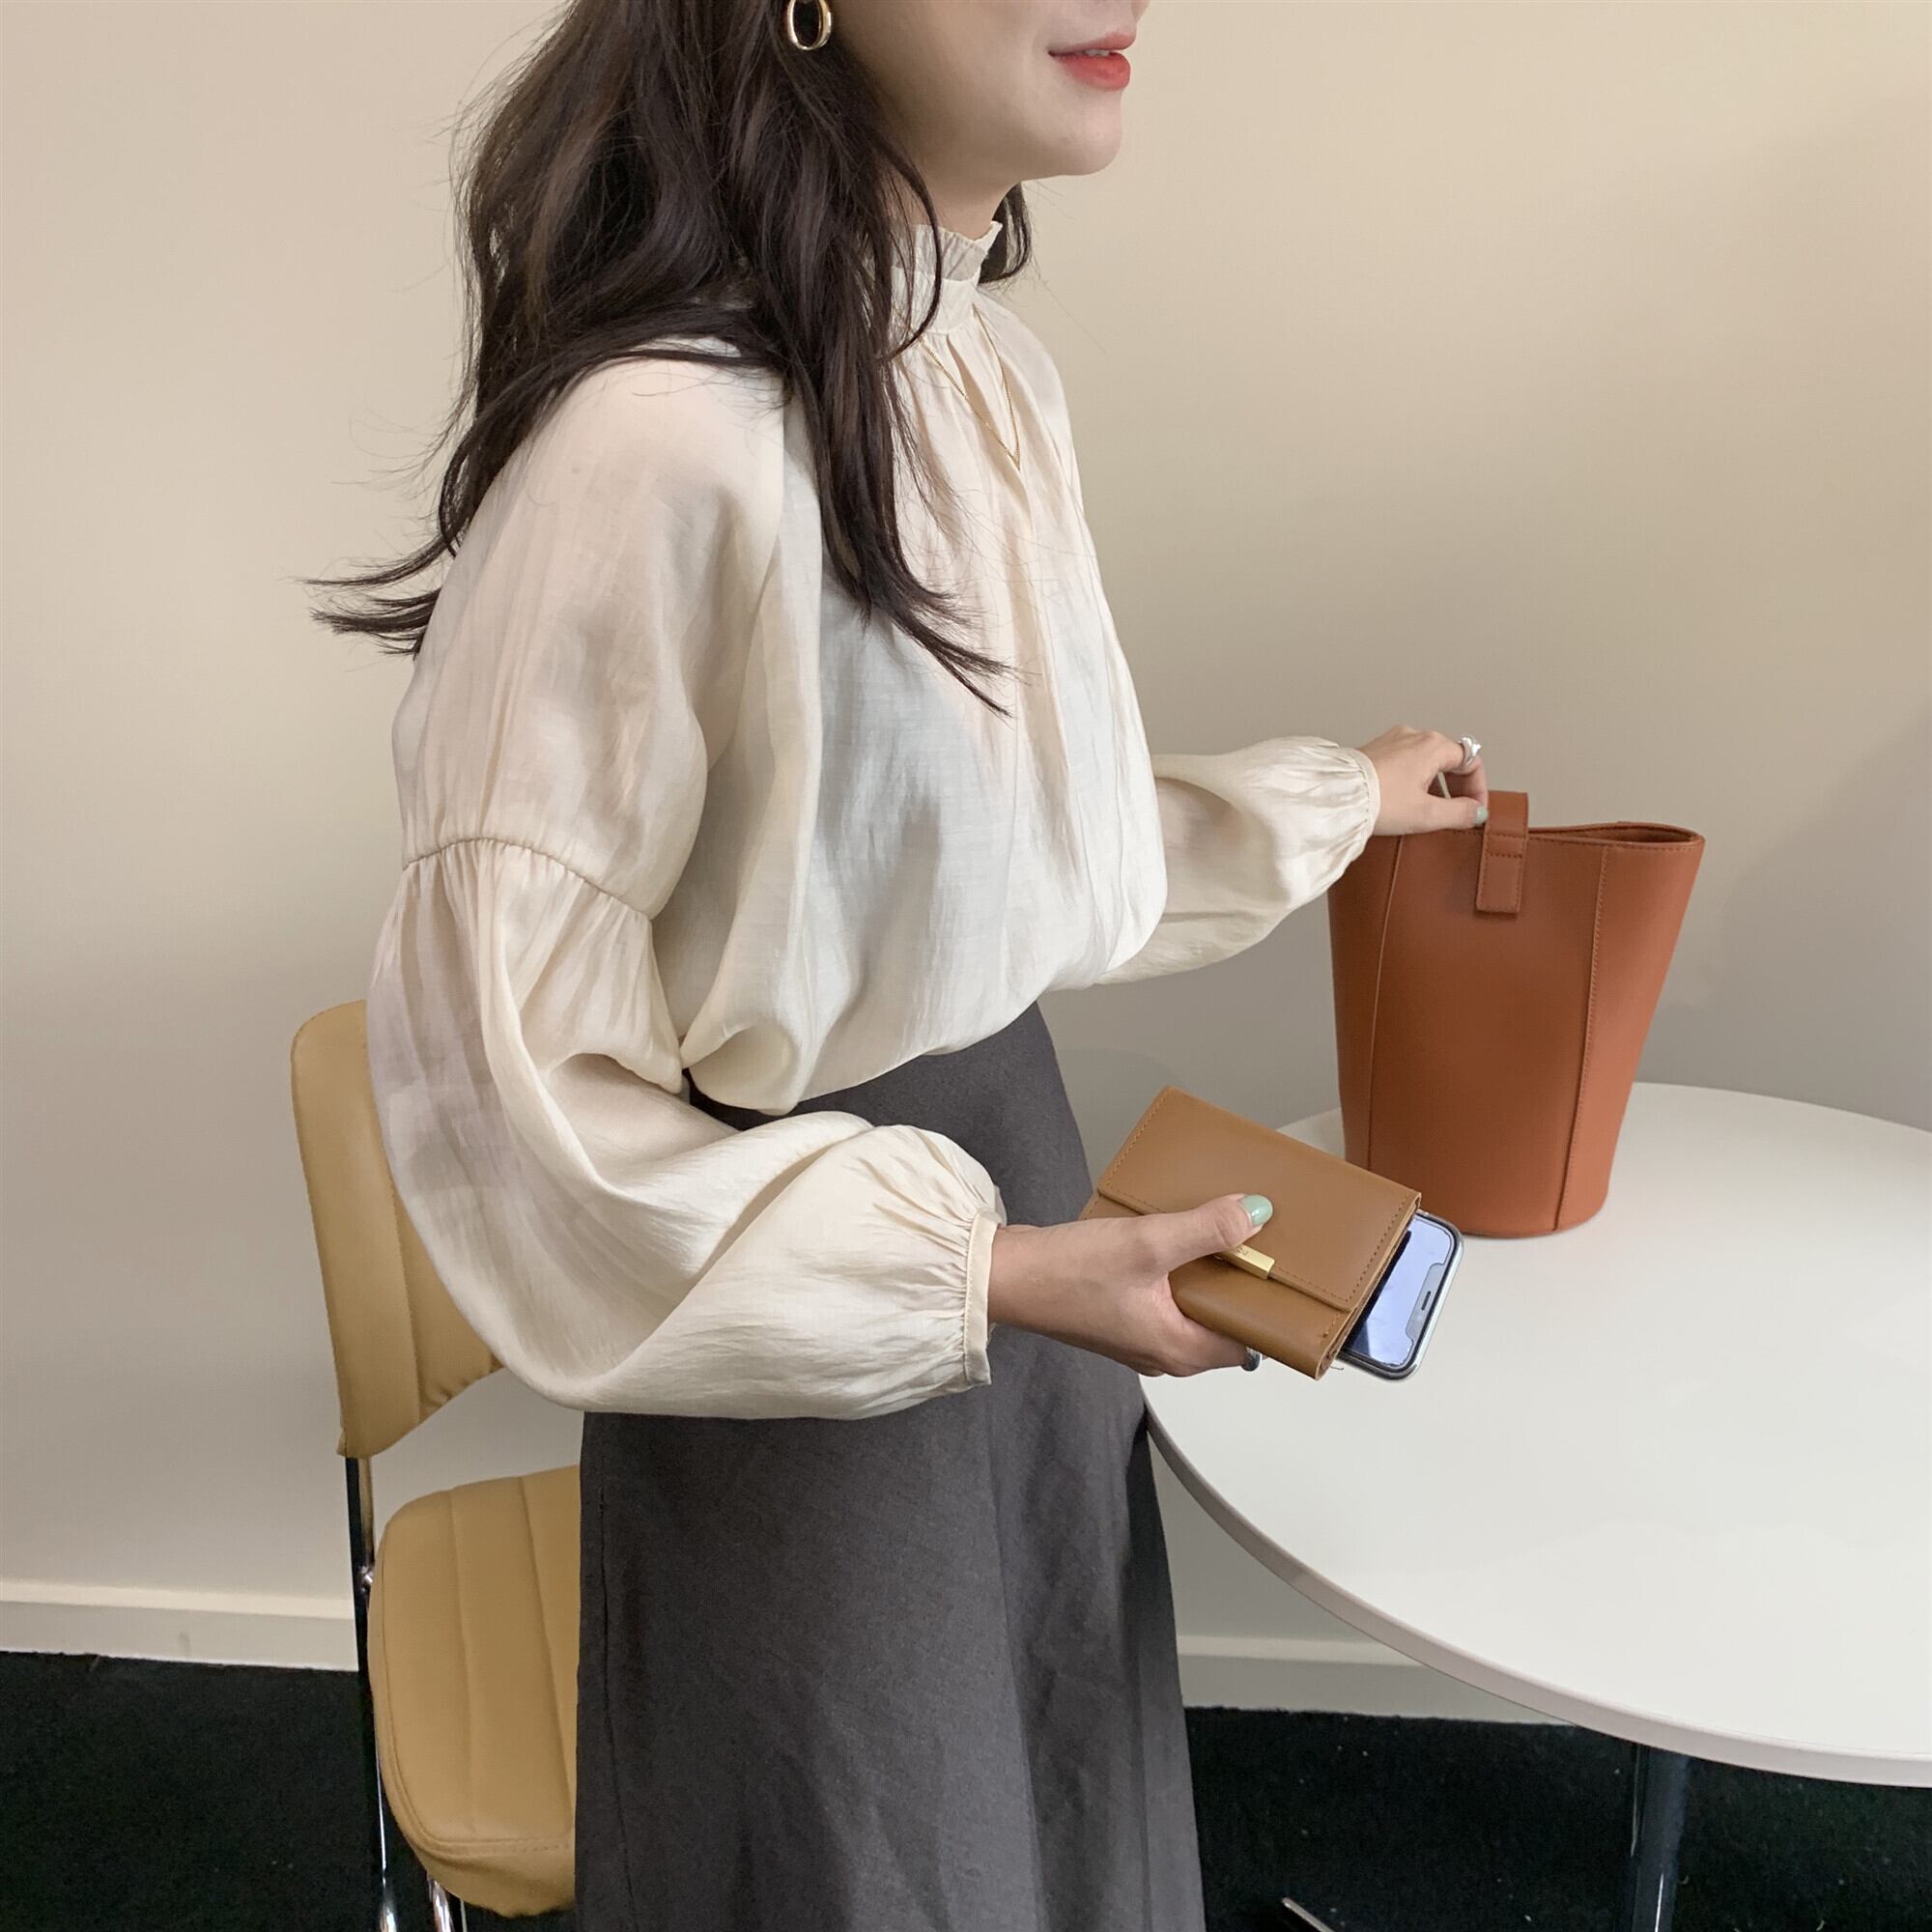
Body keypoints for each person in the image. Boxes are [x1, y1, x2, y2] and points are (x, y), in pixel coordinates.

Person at [331, 1, 1488, 1925]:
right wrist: (989, 1271)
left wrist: (1338, 802)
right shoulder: (657, 446)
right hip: (813, 1355)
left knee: (1049, 1815)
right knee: (872, 1856)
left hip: (1019, 1250)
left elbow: (976, 865)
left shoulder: (978, 371)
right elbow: (517, 1105)